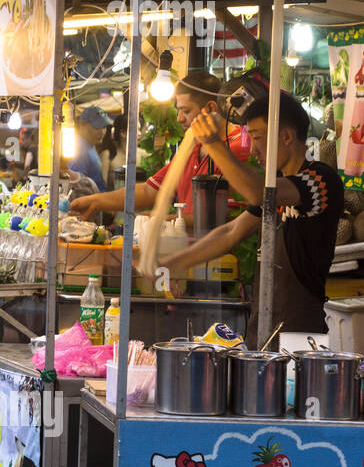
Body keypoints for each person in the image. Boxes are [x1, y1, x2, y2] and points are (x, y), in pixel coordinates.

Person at [160, 93, 342, 342]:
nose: (252, 148)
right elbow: (230, 232)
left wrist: (214, 144)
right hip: (263, 330)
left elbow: (259, 194)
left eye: (257, 138)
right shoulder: (275, 188)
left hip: (301, 337)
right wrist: (173, 262)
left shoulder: (320, 179)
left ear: (286, 136)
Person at [70, 73, 251, 229]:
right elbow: (149, 191)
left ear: (211, 108)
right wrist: (95, 201)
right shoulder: (191, 148)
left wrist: (157, 220)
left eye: (186, 111)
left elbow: (226, 216)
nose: (180, 119)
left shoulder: (236, 150)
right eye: (178, 110)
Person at [69, 105, 112, 191]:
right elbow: (77, 186)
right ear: (82, 124)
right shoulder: (79, 149)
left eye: (104, 127)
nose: (102, 131)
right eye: (97, 126)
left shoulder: (89, 145)